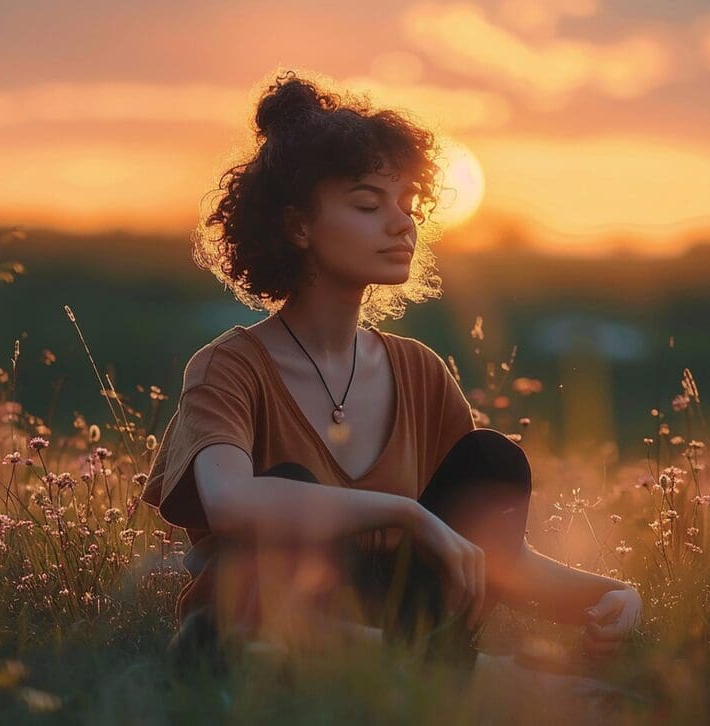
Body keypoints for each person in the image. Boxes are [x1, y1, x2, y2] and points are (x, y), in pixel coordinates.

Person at [140, 69, 642, 691]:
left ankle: (421, 670)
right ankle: (465, 678)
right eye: (368, 204)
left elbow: (484, 552)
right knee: (286, 489)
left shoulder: (420, 371)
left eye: (408, 205)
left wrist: (605, 596)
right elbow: (231, 502)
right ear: (298, 227)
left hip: (399, 624)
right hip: (261, 627)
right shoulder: (230, 366)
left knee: (490, 459)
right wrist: (406, 513)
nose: (401, 224)